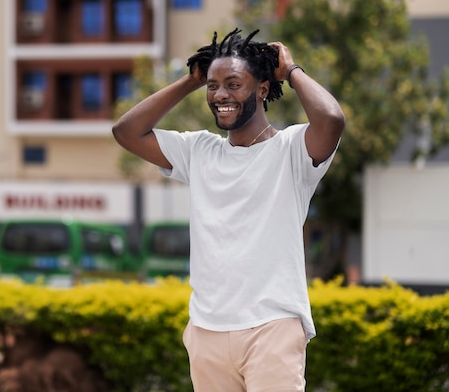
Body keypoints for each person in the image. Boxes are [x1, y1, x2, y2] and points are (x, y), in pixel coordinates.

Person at [112, 28, 345, 391]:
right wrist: (190, 80)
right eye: (213, 85)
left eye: (233, 84)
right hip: (207, 331)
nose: (220, 94)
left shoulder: (292, 150)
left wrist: (292, 71)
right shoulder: (199, 150)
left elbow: (331, 119)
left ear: (263, 89)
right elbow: (127, 131)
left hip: (272, 326)